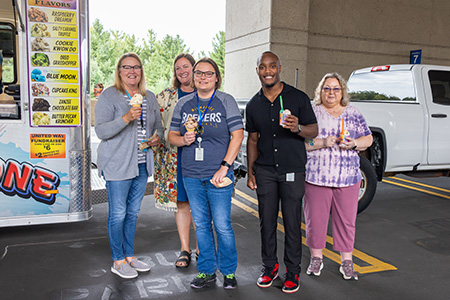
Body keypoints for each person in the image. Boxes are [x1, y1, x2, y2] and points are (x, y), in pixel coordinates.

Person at [246, 51, 318, 294]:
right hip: (265, 170)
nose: (268, 71)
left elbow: (314, 131)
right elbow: (253, 140)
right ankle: (269, 267)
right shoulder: (254, 104)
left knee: (291, 222)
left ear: (279, 68)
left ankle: (293, 271)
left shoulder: (298, 98)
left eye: (272, 66)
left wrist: (297, 127)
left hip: (292, 170)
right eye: (263, 67)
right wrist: (251, 171)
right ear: (257, 70)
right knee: (266, 222)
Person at [168, 57, 244, 289]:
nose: (202, 77)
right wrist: (184, 139)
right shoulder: (184, 104)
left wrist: (225, 167)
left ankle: (229, 272)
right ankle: (206, 271)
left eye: (208, 73)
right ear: (193, 76)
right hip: (191, 174)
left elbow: (238, 135)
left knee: (222, 225)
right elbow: (171, 136)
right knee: (201, 225)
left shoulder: (225, 101)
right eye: (199, 73)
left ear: (216, 78)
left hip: (218, 175)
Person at [95, 52, 163, 279]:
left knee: (133, 213)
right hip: (117, 164)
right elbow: (101, 131)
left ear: (141, 71)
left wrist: (156, 138)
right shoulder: (109, 96)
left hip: (142, 165)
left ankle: (130, 257)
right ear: (119, 71)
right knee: (118, 213)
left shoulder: (149, 97)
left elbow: (158, 128)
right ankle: (118, 260)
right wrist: (125, 118)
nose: (132, 71)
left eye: (136, 67)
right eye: (127, 67)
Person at [303, 72, 373, 281]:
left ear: (342, 91)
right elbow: (303, 144)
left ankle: (347, 262)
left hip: (348, 178)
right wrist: (323, 142)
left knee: (346, 221)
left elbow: (368, 139)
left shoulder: (352, 113)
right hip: (317, 177)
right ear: (320, 92)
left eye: (335, 88)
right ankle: (316, 259)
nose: (331, 92)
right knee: (315, 221)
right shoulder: (312, 113)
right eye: (327, 88)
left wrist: (353, 144)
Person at [153, 53, 198, 268]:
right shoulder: (166, 96)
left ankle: (204, 249)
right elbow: (154, 120)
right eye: (178, 68)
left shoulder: (207, 93)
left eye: (186, 66)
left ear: (194, 68)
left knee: (202, 203)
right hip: (175, 156)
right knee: (182, 203)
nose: (182, 71)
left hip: (202, 158)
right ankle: (185, 249)